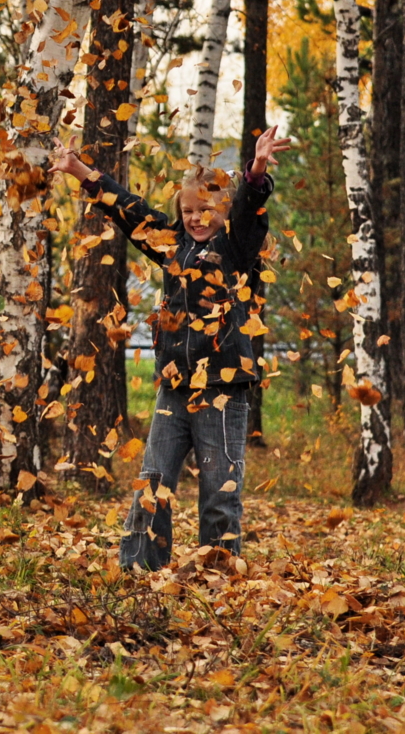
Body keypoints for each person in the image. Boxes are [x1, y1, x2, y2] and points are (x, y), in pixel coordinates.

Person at [50, 125, 293, 570]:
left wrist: (256, 171)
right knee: (153, 480)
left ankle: (218, 573)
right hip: (174, 386)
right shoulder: (172, 247)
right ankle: (140, 569)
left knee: (220, 487)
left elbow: (248, 208)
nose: (196, 218)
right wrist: (79, 170)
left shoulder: (235, 248)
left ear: (222, 213)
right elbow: (132, 212)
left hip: (222, 387)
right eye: (187, 211)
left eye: (205, 210)